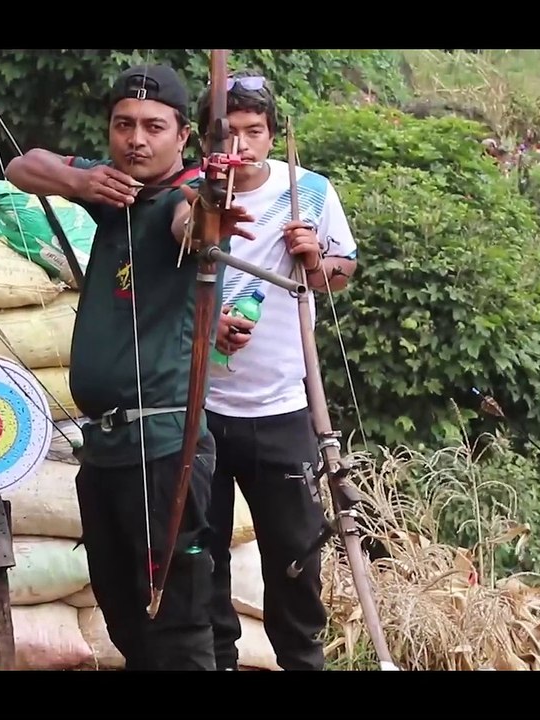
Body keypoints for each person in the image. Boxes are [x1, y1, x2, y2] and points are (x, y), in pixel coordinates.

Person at [4, 64, 255, 671]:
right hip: (106, 446)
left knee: (177, 624)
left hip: (163, 448)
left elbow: (194, 224)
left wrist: (211, 209)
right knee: (124, 617)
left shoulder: (179, 196)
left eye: (153, 127)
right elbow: (22, 165)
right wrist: (79, 181)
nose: (136, 140)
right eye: (123, 125)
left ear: (184, 136)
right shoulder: (114, 193)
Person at [193, 74, 360, 672]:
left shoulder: (307, 191)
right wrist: (207, 325)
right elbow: (163, 287)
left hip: (283, 407)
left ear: (271, 134)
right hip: (201, 408)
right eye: (228, 134)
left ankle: (302, 662)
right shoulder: (191, 197)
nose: (241, 146)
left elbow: (341, 273)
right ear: (206, 141)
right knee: (203, 554)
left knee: (294, 557)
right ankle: (218, 662)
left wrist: (314, 259)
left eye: (254, 131)